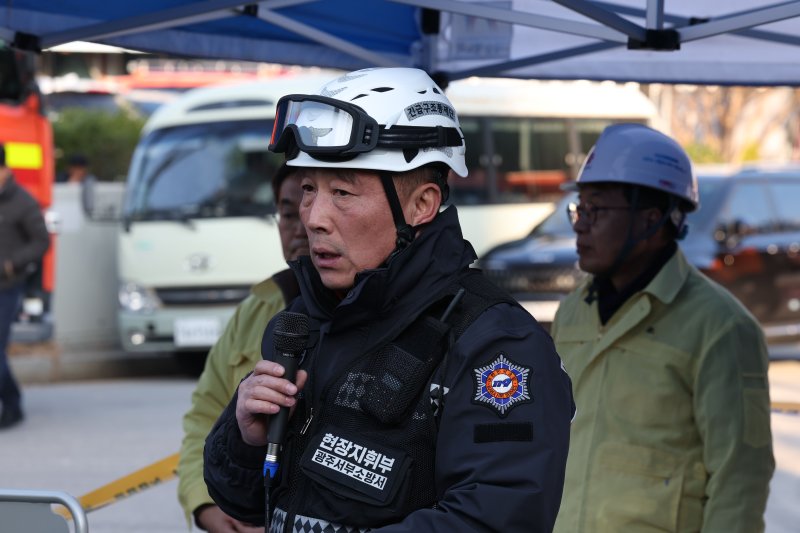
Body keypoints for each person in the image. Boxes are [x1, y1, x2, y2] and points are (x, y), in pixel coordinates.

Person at [204, 67, 575, 532]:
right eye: (308, 190)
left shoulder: (495, 344)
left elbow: (495, 520)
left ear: (421, 205)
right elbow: (243, 503)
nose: (313, 218)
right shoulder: (308, 317)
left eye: (342, 192)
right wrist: (246, 438)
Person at [550, 124, 775, 532]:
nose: (580, 225)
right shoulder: (572, 312)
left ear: (651, 220)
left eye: (596, 210)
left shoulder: (722, 327)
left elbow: (740, 478)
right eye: (578, 209)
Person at [178, 163, 308, 532]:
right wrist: (206, 504)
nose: (302, 226)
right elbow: (204, 417)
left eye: (311, 204)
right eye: (287, 212)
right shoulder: (256, 310)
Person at [0, 143, 50, 429]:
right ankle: (12, 399)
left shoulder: (22, 202)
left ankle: (12, 406)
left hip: (7, 286)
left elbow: (41, 241)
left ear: (5, 169)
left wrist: (11, 263)